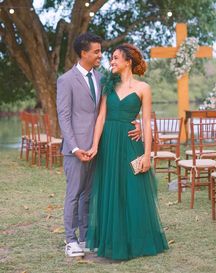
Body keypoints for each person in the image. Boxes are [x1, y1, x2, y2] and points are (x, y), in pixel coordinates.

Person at [56, 33, 141, 257]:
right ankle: (70, 240)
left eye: (101, 51)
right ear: (83, 53)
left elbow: (118, 105)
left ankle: (85, 237)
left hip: (99, 147)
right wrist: (74, 148)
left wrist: (137, 123)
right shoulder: (65, 80)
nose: (100, 55)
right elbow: (63, 117)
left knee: (89, 195)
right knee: (74, 194)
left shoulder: (103, 78)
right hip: (76, 150)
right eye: (96, 51)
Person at [86, 43, 169, 260]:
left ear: (127, 61)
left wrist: (147, 155)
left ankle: (136, 241)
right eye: (110, 58)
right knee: (110, 189)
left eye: (115, 58)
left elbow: (147, 123)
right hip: (109, 143)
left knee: (132, 190)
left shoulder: (144, 88)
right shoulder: (108, 85)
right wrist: (95, 145)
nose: (111, 62)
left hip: (131, 143)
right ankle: (112, 241)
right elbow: (101, 117)